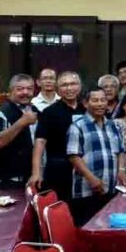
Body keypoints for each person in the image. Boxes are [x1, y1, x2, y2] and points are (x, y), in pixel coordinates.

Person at [67, 87, 126, 226]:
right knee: (88, 228)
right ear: (86, 103)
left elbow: (120, 150)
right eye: (95, 100)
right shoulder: (77, 126)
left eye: (103, 100)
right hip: (87, 191)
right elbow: (74, 157)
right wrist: (92, 179)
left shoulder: (112, 125)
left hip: (111, 188)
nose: (100, 104)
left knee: (108, 228)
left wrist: (121, 171)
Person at [28, 71, 84, 200]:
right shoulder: (49, 112)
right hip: (58, 168)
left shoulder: (86, 110)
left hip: (84, 168)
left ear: (80, 86)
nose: (69, 88)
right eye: (64, 85)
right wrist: (36, 172)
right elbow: (40, 142)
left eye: (73, 84)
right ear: (58, 89)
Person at [0, 73, 38, 186]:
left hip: (33, 176)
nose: (25, 92)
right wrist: (22, 122)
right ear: (11, 91)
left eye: (29, 89)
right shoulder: (1, 113)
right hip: (9, 179)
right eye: (20, 89)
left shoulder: (36, 111)